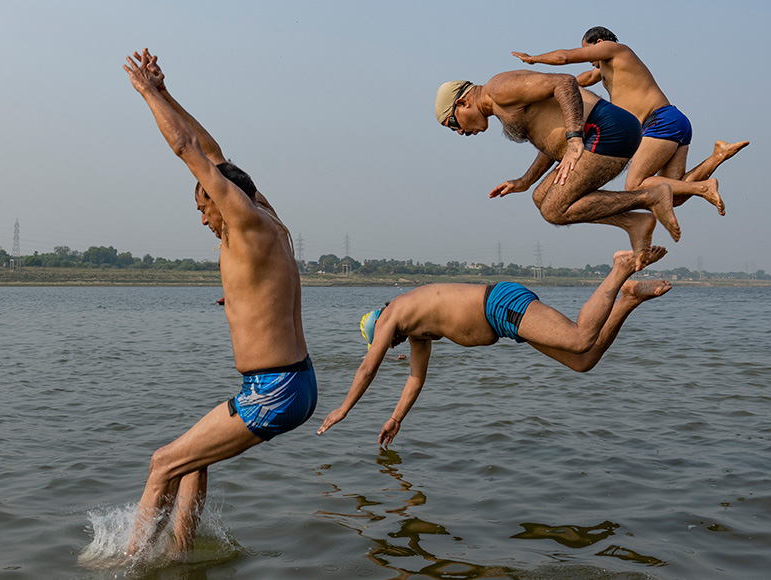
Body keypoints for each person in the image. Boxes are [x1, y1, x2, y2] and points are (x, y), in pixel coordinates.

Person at [122, 49, 317, 560]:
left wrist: (146, 94)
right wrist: (168, 92)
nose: (203, 215)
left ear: (225, 198)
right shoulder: (269, 218)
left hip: (276, 389)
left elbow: (190, 150)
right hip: (283, 382)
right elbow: (215, 152)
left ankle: (127, 565)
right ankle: (179, 555)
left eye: (204, 203)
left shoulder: (247, 224)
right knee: (191, 461)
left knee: (162, 462)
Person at [317, 248, 671, 446]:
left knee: (579, 337)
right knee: (584, 360)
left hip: (500, 304)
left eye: (385, 339)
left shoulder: (394, 314)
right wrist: (395, 418)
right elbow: (415, 380)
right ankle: (625, 299)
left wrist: (343, 409)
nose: (390, 343)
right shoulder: (416, 332)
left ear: (380, 326)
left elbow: (368, 368)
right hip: (503, 322)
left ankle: (619, 270)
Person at [435, 70, 716, 269]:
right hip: (597, 133)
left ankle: (650, 197)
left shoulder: (499, 88)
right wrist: (525, 181)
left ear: (462, 103)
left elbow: (564, 83)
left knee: (553, 209)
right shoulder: (500, 107)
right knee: (540, 198)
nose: (460, 132)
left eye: (453, 124)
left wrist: (574, 139)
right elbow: (550, 138)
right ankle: (635, 221)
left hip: (606, 128)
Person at [513, 26, 747, 206]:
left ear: (600, 43)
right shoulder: (605, 67)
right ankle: (718, 155)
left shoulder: (617, 50)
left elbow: (564, 57)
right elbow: (578, 80)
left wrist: (533, 59)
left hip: (659, 121)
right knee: (673, 196)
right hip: (674, 121)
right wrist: (535, 88)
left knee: (634, 184)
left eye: (587, 49)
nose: (589, 57)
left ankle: (705, 187)